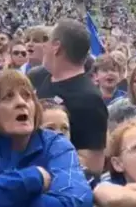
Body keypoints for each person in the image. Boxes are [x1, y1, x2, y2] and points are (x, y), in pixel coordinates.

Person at [0, 70, 93, 207]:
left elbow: (76, 200)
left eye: (27, 96)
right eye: (8, 96)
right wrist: (32, 177)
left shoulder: (56, 144)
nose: (21, 103)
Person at [33, 19, 108, 174]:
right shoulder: (38, 77)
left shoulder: (89, 99)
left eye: (47, 40)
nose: (44, 46)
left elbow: (93, 164)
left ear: (56, 47)